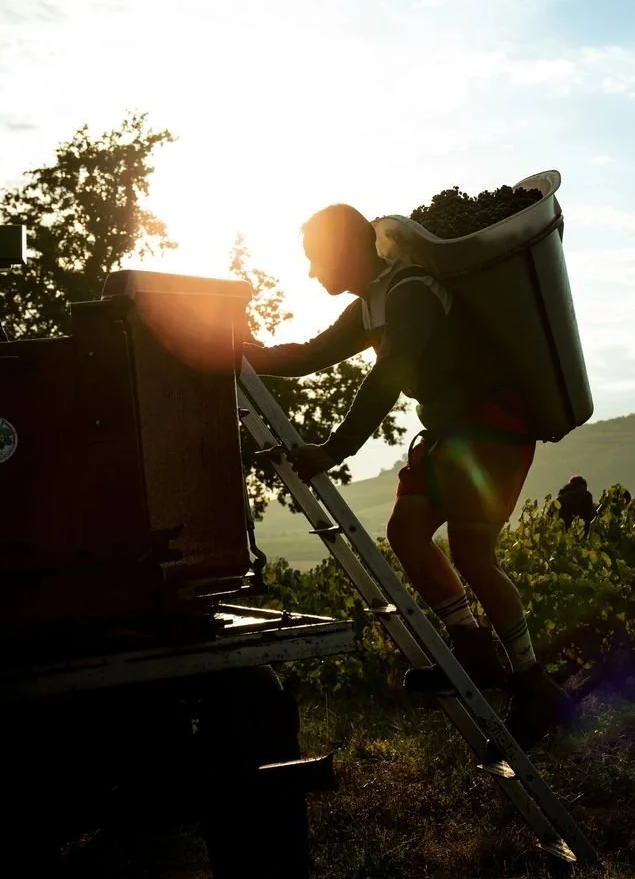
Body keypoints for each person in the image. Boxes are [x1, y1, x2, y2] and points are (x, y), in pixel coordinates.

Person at [242, 203, 572, 754]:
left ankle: (533, 681)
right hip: (452, 434)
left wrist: (335, 448)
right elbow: (309, 355)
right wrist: (240, 352)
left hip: (490, 427)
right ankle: (472, 646)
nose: (311, 273)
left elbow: (389, 374)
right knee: (407, 533)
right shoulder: (372, 303)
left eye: (315, 259)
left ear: (344, 250)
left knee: (472, 552)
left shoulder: (409, 291)